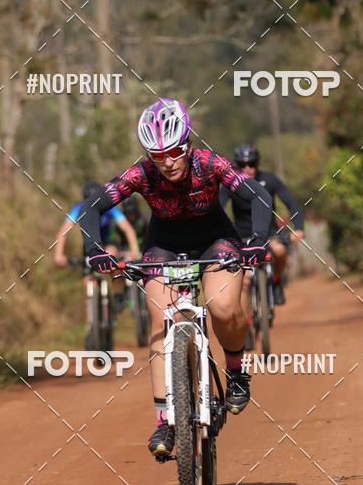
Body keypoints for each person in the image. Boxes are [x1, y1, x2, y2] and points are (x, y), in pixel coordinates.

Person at [73, 99, 272, 457]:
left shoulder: (209, 163)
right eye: (157, 155)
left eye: (175, 151)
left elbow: (257, 193)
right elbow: (92, 206)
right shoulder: (141, 173)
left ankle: (236, 371)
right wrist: (95, 250)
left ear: (188, 144)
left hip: (216, 241)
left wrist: (257, 240)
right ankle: (165, 419)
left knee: (224, 308)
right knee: (160, 321)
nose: (167, 162)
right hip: (163, 246)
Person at [220, 144, 305, 316]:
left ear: (258, 163)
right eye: (242, 165)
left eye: (252, 164)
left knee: (280, 251)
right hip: (242, 237)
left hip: (269, 234)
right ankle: (246, 323)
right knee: (244, 281)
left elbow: (291, 203)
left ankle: (277, 280)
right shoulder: (230, 184)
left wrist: (299, 228)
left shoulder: (269, 179)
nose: (248, 168)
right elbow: (218, 208)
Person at [54, 180, 140, 268]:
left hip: (108, 243)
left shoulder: (110, 208)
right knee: (88, 275)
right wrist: (58, 255)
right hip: (90, 246)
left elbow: (128, 229)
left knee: (110, 256)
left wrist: (135, 251)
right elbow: (63, 231)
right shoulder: (78, 208)